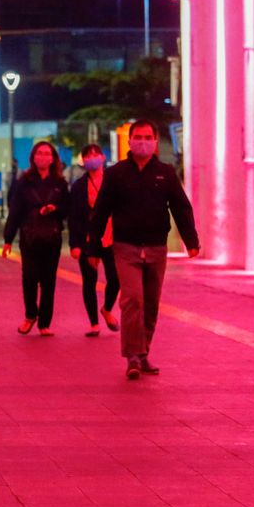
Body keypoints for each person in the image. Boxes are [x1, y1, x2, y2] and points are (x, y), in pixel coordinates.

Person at [88, 119, 200, 380]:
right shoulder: (116, 174)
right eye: (137, 136)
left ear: (155, 141)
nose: (142, 141)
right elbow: (101, 211)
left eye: (147, 137)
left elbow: (181, 207)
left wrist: (191, 241)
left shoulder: (166, 173)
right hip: (125, 247)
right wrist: (93, 247)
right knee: (132, 300)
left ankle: (143, 351)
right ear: (130, 140)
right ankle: (133, 356)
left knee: (150, 304)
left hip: (156, 248)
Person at [2, 142, 70, 337]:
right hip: (29, 236)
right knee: (29, 277)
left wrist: (55, 209)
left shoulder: (59, 183)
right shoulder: (24, 182)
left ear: (53, 158)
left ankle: (45, 323)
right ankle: (30, 314)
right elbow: (14, 211)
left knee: (49, 281)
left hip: (52, 237)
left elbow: (68, 208)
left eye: (47, 153)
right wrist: (8, 239)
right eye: (39, 153)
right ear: (33, 157)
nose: (43, 156)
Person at [68, 144, 120, 337]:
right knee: (89, 280)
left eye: (95, 154)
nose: (92, 157)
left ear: (103, 157)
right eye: (87, 155)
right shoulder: (79, 186)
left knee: (115, 278)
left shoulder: (113, 180)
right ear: (83, 160)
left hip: (111, 236)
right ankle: (94, 324)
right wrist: (75, 244)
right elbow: (73, 217)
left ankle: (106, 309)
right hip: (88, 239)